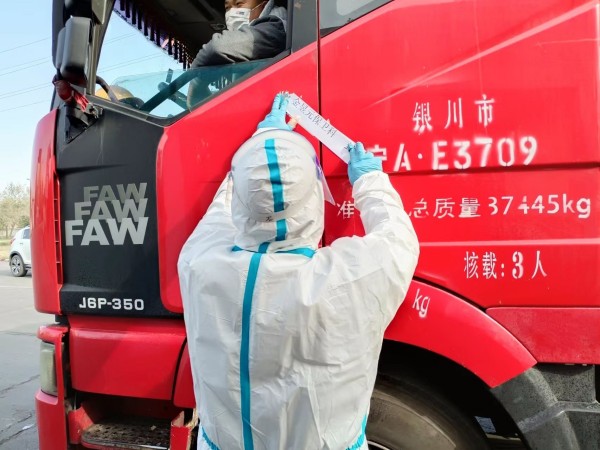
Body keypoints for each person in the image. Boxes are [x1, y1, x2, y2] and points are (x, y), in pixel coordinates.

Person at [178, 94, 419, 450]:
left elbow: (220, 212)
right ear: (314, 197)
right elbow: (398, 239)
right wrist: (370, 180)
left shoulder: (198, 263)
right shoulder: (347, 276)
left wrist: (258, 152)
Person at [190, 0, 287, 67]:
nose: (232, 12)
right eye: (227, 8)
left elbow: (216, 47)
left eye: (239, 4)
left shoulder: (276, 28)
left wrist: (195, 79)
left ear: (263, 4)